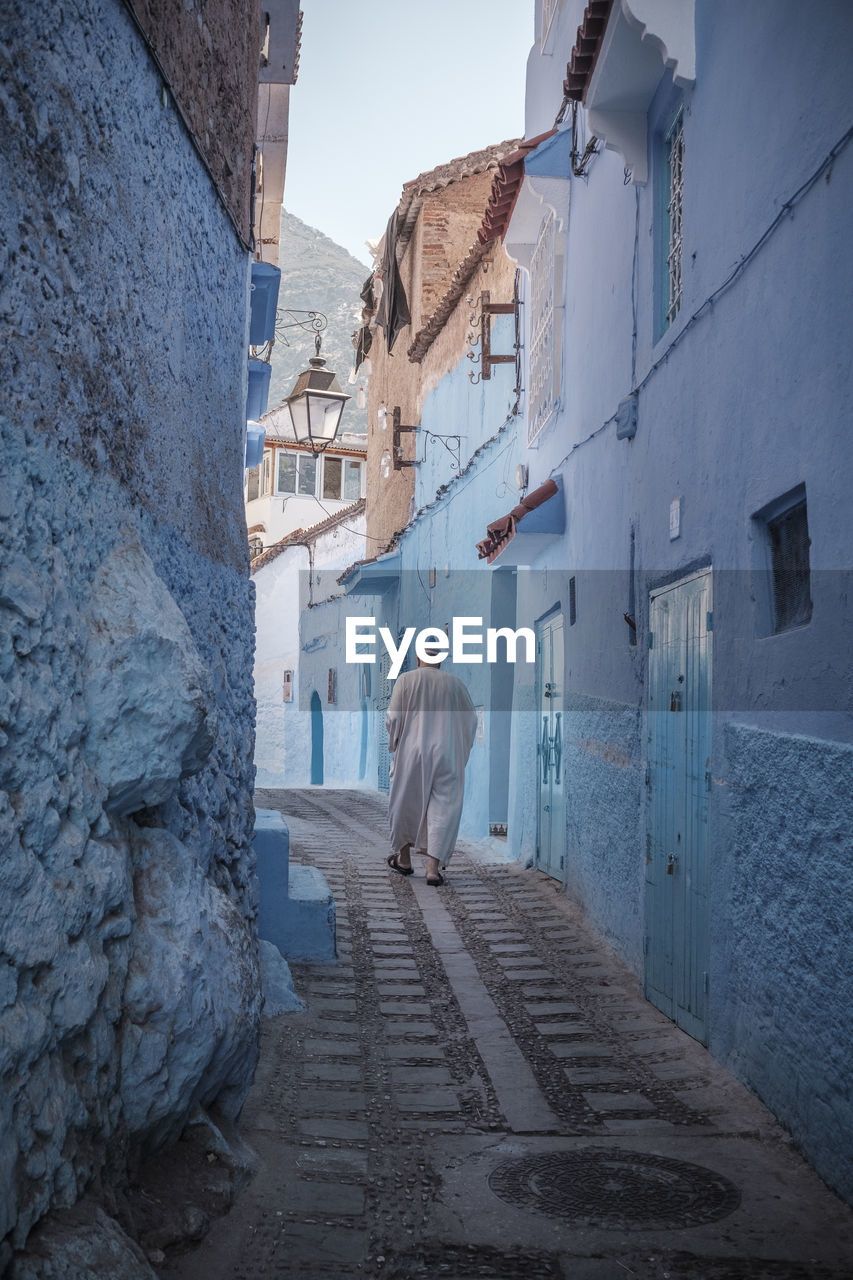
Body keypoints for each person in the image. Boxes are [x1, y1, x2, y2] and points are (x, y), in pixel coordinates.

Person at [385, 647, 478, 886]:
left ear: (418, 659)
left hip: (412, 753)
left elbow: (393, 718)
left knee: (404, 802)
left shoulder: (405, 680)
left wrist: (395, 741)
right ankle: (432, 870)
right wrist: (460, 750)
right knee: (444, 807)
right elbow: (470, 720)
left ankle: (404, 860)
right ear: (440, 661)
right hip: (447, 754)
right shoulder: (456, 685)